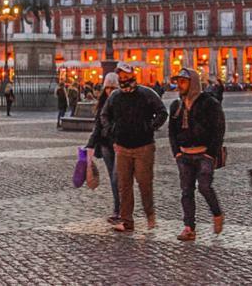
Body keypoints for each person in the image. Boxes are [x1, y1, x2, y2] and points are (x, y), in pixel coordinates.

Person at [100, 62, 168, 232]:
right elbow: (104, 114)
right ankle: (127, 220)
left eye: (125, 75)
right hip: (122, 147)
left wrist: (149, 127)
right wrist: (112, 131)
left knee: (144, 183)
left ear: (132, 75)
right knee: (124, 185)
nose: (122, 78)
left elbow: (162, 111)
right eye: (120, 76)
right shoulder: (115, 96)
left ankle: (150, 215)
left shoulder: (146, 93)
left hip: (143, 146)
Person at [167, 68, 226, 241]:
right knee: (186, 191)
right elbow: (172, 131)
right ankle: (189, 227)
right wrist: (176, 152)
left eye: (183, 82)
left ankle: (217, 213)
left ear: (193, 83)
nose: (179, 85)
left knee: (205, 187)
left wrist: (211, 153)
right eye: (178, 82)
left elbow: (219, 128)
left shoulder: (209, 103)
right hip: (184, 155)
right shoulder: (176, 105)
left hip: (203, 154)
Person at [86, 73, 122, 225]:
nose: (109, 91)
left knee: (117, 178)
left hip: (120, 146)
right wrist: (90, 145)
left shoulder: (123, 102)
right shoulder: (102, 104)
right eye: (107, 88)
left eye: (113, 87)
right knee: (114, 180)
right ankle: (118, 209)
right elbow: (98, 127)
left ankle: (122, 209)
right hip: (106, 146)